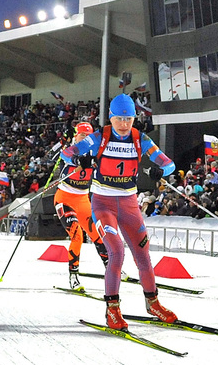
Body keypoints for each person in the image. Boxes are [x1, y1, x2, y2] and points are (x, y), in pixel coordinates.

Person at [73, 94, 177, 331]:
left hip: (129, 204)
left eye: (128, 118)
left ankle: (153, 303)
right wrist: (82, 158)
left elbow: (168, 163)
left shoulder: (141, 139)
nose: (124, 123)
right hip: (103, 204)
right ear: (111, 117)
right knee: (117, 251)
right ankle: (112, 310)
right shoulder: (100, 137)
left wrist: (159, 171)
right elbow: (67, 154)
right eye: (119, 118)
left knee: (143, 254)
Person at [53, 119, 110, 292]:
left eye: (88, 136)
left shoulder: (96, 153)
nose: (84, 139)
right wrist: (77, 160)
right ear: (76, 137)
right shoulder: (68, 150)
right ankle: (73, 276)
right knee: (77, 234)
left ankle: (111, 269)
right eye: (81, 136)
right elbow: (61, 159)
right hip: (64, 198)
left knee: (97, 234)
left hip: (83, 199)